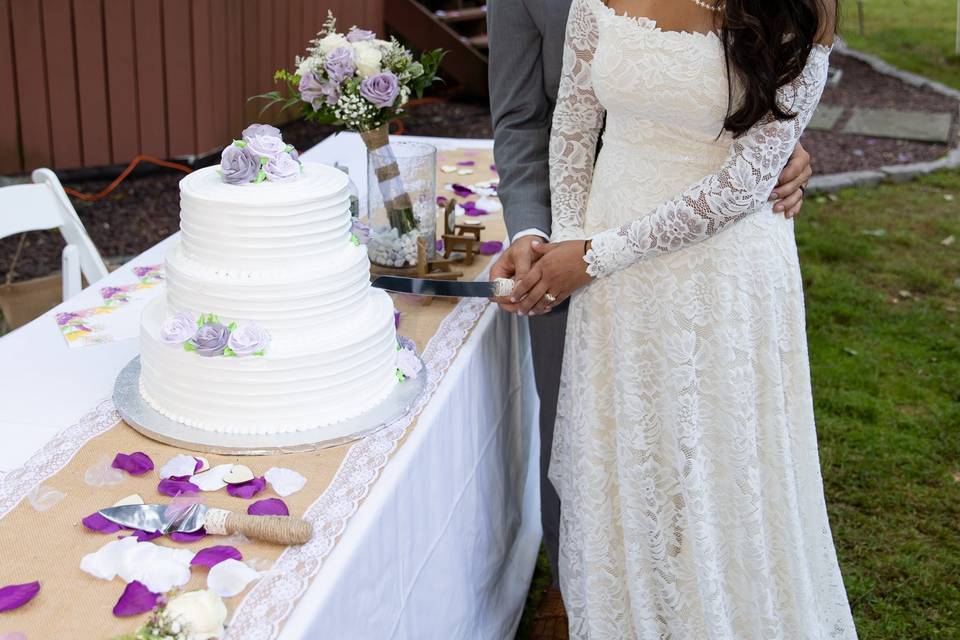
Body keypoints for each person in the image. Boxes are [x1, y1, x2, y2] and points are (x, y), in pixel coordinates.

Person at [496, 0, 858, 636]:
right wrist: (569, 242)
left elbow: (747, 180)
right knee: (629, 461)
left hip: (722, 274)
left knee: (721, 462)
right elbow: (572, 130)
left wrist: (594, 256)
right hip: (612, 283)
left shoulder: (804, 6)